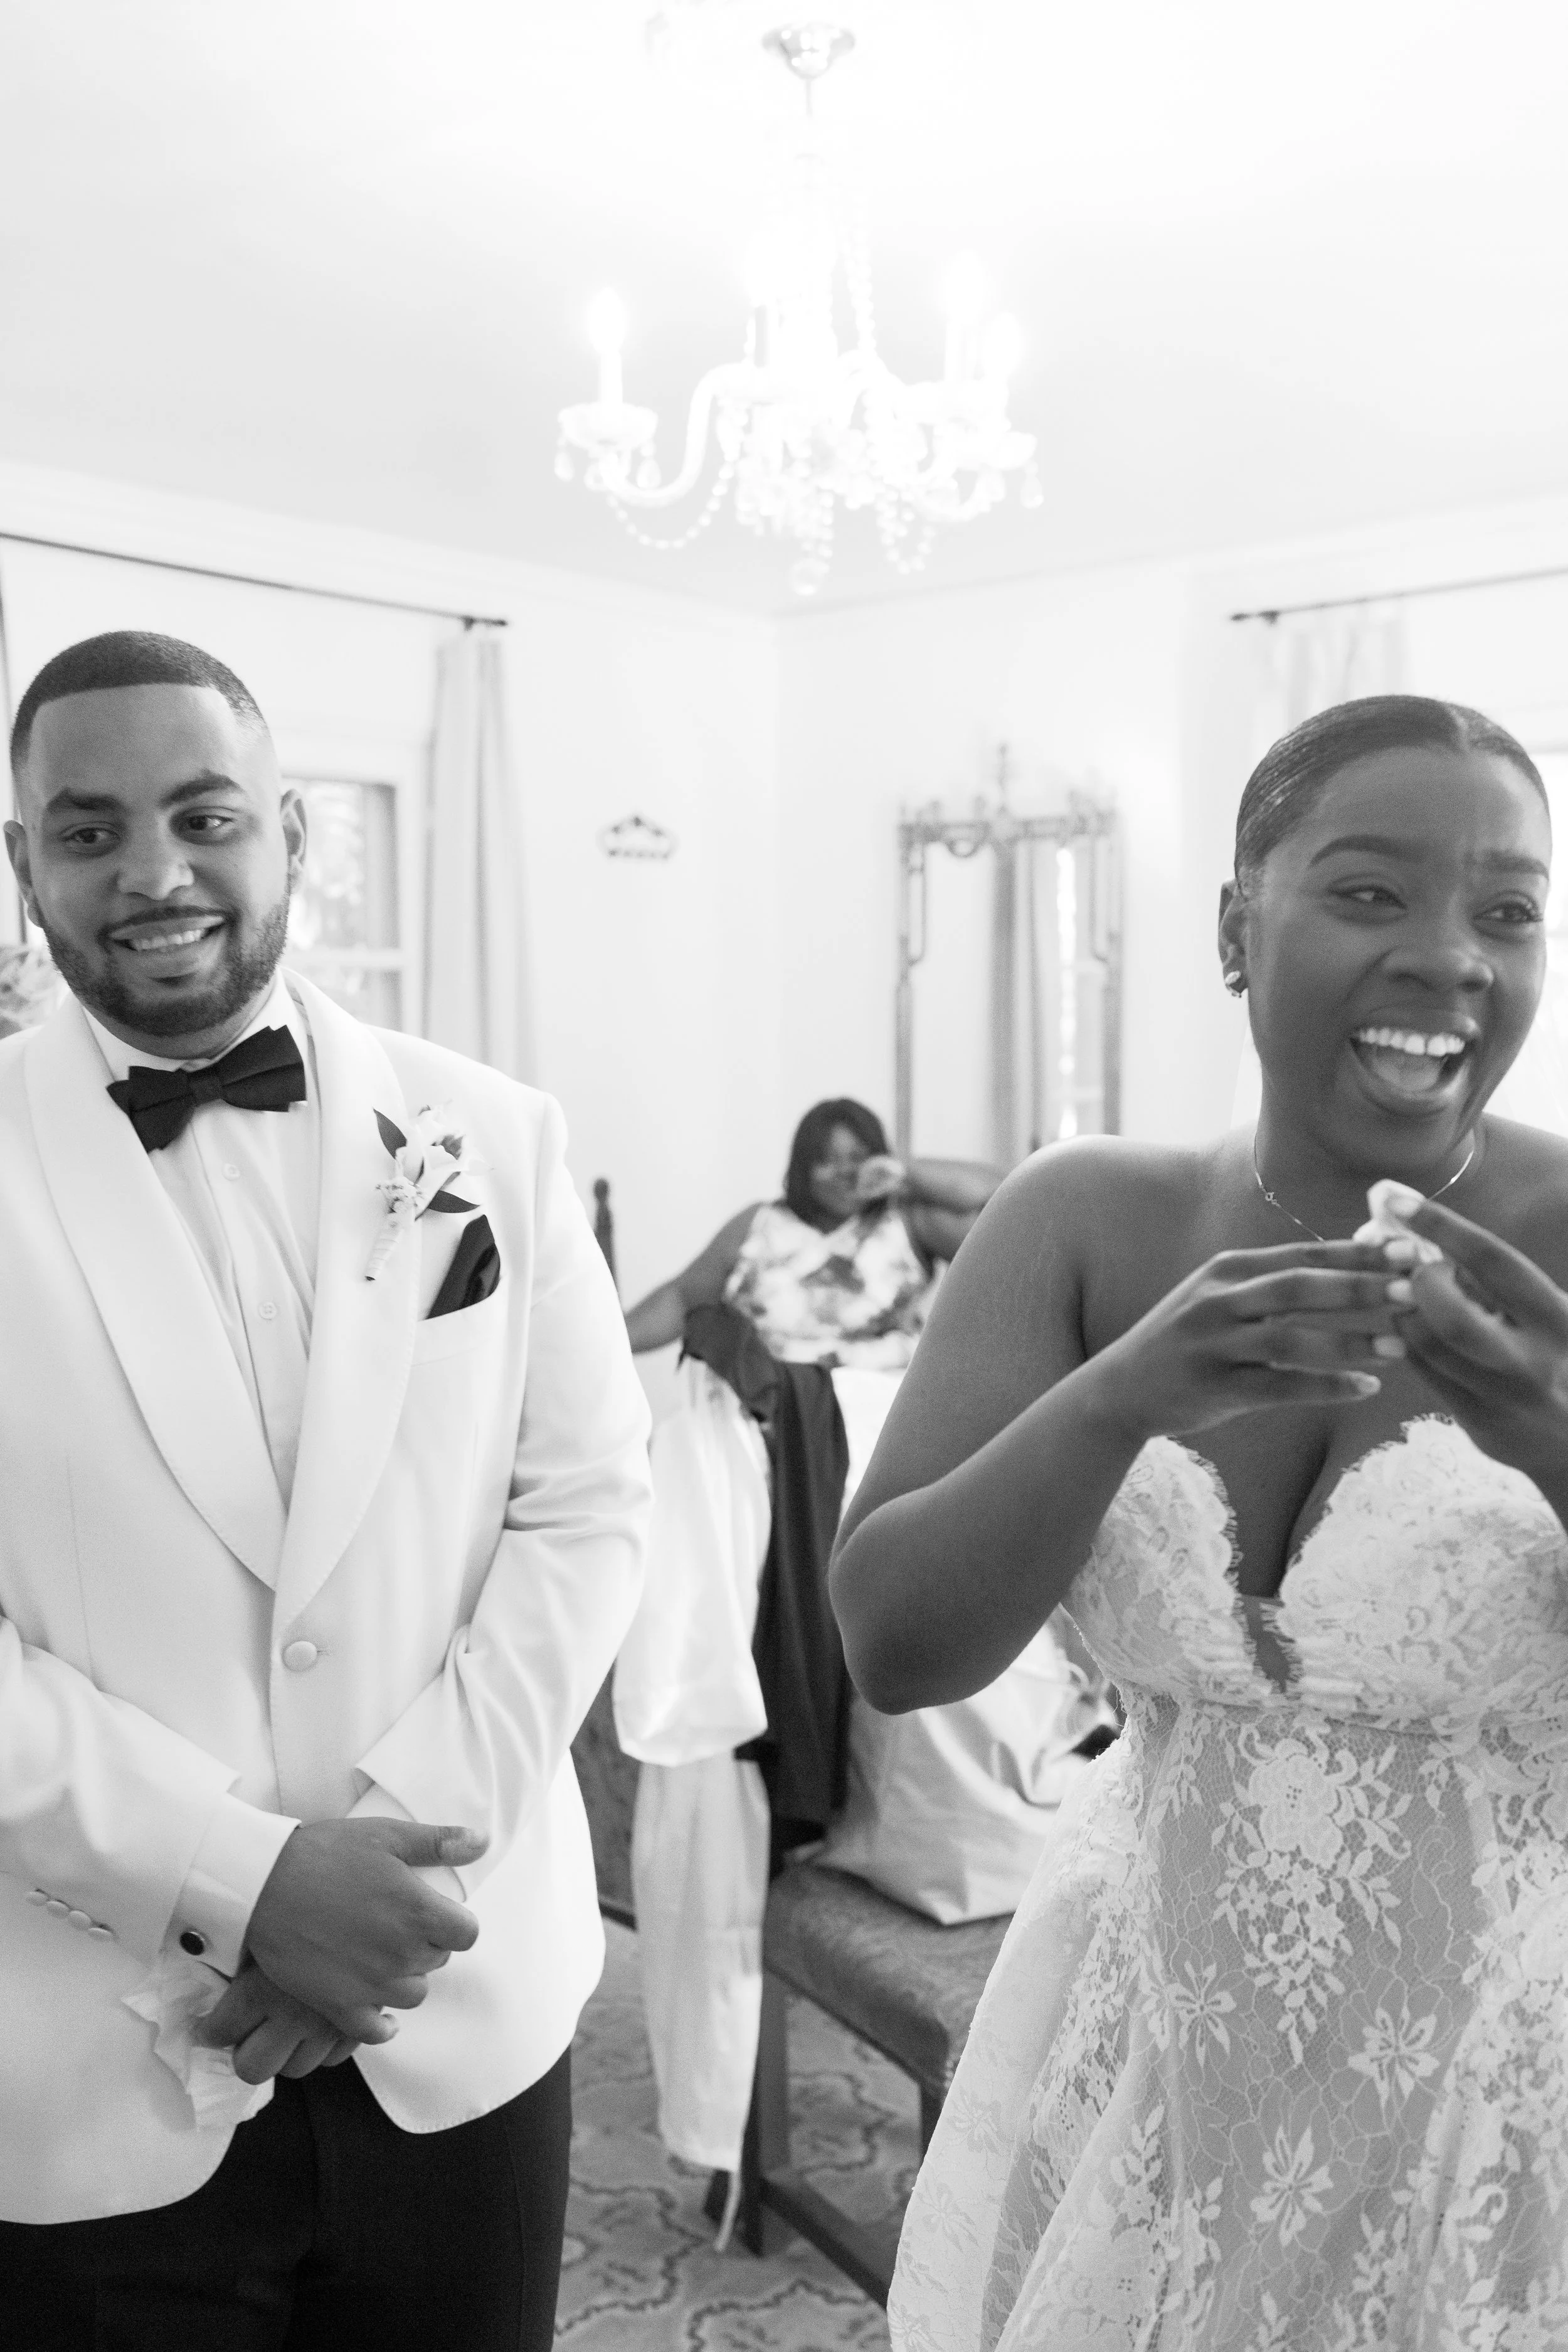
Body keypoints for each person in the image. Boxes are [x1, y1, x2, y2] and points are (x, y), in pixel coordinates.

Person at [832, 694, 1568, 2349]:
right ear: (1238, 925)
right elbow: (892, 1641)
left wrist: (1545, 1430)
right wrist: (1112, 1401)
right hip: (1153, 2069)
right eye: (1370, 891)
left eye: (1506, 909)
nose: (1449, 954)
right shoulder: (1087, 1218)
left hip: (1508, 2106)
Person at [0, 632, 652, 2351]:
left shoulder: (493, 1133)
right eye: (86, 829)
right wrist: (244, 1877)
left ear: (293, 833)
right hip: (82, 2063)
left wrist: (389, 1866)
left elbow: (586, 1506)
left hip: (463, 2019)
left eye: (206, 813)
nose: (153, 873)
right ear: (23, 866)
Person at [623, 1094, 999, 1367]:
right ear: (802, 1168)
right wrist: (611, 1341)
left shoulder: (907, 1222)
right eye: (827, 1161)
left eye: (858, 1159)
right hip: (769, 1414)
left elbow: (1000, 1201)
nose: (845, 1174)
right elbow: (682, 1300)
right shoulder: (758, 1224)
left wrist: (904, 1171)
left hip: (881, 1415)